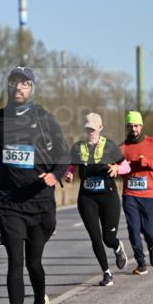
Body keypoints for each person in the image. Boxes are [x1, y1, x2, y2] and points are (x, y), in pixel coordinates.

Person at [0, 66, 69, 304]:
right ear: (8, 87)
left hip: (40, 202)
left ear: (32, 88)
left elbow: (64, 154)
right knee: (15, 262)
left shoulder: (44, 118)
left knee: (34, 263)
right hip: (8, 202)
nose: (19, 88)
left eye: (25, 84)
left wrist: (54, 174)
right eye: (14, 83)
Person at [64, 112, 130, 286]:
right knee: (95, 237)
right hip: (87, 198)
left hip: (108, 197)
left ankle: (117, 247)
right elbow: (70, 165)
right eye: (88, 128)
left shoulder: (110, 146)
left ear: (100, 128)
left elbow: (126, 166)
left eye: (94, 128)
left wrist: (117, 168)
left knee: (108, 238)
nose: (90, 131)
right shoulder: (78, 147)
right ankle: (107, 273)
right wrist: (69, 174)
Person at [118, 110, 153, 274]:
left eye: (136, 125)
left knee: (148, 230)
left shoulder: (152, 143)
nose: (133, 129)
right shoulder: (122, 147)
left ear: (141, 126)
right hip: (130, 193)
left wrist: (147, 163)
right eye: (130, 126)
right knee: (133, 229)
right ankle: (140, 262)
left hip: (149, 193)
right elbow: (115, 166)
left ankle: (152, 246)